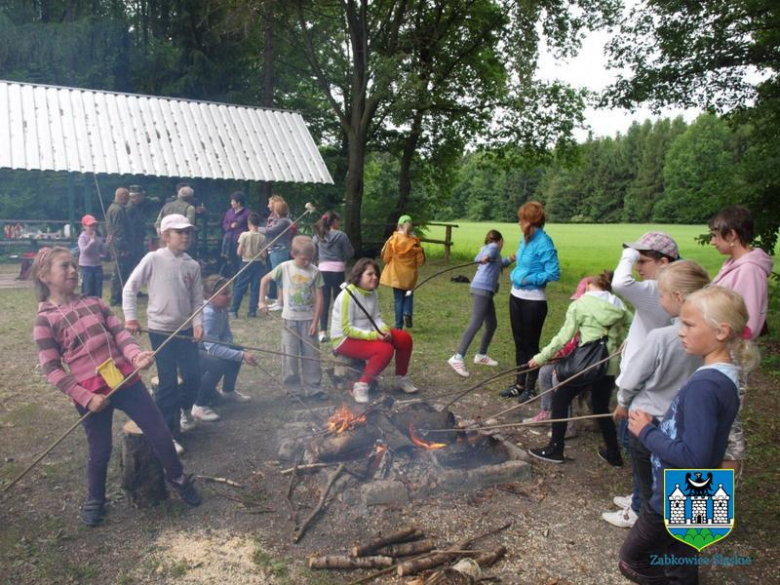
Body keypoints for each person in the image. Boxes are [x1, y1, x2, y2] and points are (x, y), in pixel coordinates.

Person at [31, 247, 201, 526]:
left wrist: (135, 356)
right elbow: (51, 369)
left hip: (126, 380)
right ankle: (95, 498)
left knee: (159, 430)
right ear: (44, 276)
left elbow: (120, 334)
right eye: (65, 266)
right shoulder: (45, 320)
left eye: (74, 265)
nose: (73, 270)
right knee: (100, 449)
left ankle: (178, 477)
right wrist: (86, 397)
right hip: (92, 395)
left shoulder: (95, 302)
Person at [618, 286, 759, 585]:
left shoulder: (704, 386)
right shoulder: (726, 376)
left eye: (689, 324)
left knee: (632, 560)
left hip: (677, 492)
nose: (680, 331)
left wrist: (646, 431)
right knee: (682, 559)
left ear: (721, 331)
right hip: (700, 489)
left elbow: (693, 458)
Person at [603, 260, 710, 529]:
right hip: (684, 427)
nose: (659, 301)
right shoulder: (711, 340)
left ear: (677, 297)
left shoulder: (663, 337)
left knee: (648, 478)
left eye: (661, 294)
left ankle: (643, 520)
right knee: (671, 482)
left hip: (646, 419)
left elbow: (631, 379)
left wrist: (623, 402)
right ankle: (681, 529)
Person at [527, 270, 632, 466]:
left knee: (560, 399)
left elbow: (563, 337)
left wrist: (541, 358)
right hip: (608, 365)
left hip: (586, 364)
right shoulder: (620, 306)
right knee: (600, 406)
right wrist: (624, 341)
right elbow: (633, 327)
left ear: (589, 288)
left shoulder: (580, 305)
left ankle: (555, 448)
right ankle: (614, 453)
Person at [611, 230, 679, 521]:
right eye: (635, 260)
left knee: (638, 445)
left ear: (664, 262)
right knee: (638, 446)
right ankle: (642, 497)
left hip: (643, 386)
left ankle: (642, 508)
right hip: (648, 382)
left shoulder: (655, 290)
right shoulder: (662, 292)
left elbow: (619, 283)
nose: (638, 266)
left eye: (643, 260)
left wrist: (627, 253)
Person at [122, 214, 203, 454]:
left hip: (185, 330)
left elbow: (197, 300)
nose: (185, 236)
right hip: (160, 330)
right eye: (180, 232)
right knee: (168, 383)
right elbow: (130, 288)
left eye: (188, 231)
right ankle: (167, 433)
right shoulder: (153, 259)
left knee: (193, 376)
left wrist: (197, 323)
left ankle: (186, 409)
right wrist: (131, 318)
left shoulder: (192, 265)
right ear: (165, 236)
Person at [331, 258, 418, 403]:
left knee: (404, 338)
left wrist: (383, 330)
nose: (375, 277)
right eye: (370, 274)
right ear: (359, 275)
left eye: (376, 274)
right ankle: (362, 385)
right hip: (344, 339)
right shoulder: (348, 295)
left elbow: (375, 317)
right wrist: (374, 336)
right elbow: (347, 329)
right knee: (385, 349)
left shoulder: (371, 293)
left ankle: (401, 378)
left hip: (367, 332)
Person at [501, 201, 560, 402]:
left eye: (522, 219)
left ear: (530, 221)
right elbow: (521, 260)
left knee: (531, 345)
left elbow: (553, 272)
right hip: (516, 296)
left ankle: (530, 388)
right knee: (519, 343)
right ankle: (519, 384)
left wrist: (528, 279)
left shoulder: (544, 242)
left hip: (533, 301)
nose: (519, 222)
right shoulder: (525, 239)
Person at [259, 235, 325, 399]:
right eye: (304, 259)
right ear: (293, 253)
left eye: (310, 259)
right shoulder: (285, 267)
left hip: (308, 319)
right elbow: (264, 280)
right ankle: (293, 390)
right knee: (290, 355)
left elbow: (320, 298)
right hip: (289, 320)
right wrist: (261, 301)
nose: (307, 262)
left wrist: (315, 322)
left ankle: (314, 388)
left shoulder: (315, 272)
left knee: (311, 355)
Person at [522, 277, 591, 430]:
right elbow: (568, 342)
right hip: (575, 360)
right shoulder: (579, 318)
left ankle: (567, 426)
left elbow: (584, 350)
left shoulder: (595, 323)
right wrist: (554, 355)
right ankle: (547, 412)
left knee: (558, 377)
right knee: (545, 371)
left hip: (589, 364)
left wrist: (558, 357)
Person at [447, 229, 514, 378]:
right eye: (502, 242)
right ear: (500, 241)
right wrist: (484, 257)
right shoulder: (493, 248)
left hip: (485, 291)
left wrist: (512, 258)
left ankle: (481, 355)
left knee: (492, 324)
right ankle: (457, 357)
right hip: (482, 289)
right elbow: (481, 256)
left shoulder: (492, 251)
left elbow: (500, 263)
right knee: (476, 323)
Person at [708, 205, 773, 339]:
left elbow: (748, 323)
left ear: (732, 235)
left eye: (715, 236)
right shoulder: (733, 264)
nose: (712, 242)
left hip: (731, 351)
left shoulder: (749, 270)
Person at [197, 275, 256, 412]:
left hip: (209, 347)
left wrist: (232, 347)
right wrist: (242, 355)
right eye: (225, 294)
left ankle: (228, 391)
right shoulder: (208, 314)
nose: (230, 296)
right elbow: (212, 348)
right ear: (211, 296)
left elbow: (226, 334)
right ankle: (200, 405)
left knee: (237, 350)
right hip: (195, 351)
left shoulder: (222, 309)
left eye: (230, 292)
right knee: (217, 363)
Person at [312, 210, 354, 342]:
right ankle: (339, 330)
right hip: (338, 271)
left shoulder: (317, 236)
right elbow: (350, 252)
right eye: (338, 220)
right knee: (339, 300)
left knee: (324, 301)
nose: (339, 223)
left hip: (322, 270)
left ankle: (323, 331)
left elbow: (313, 252)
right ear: (334, 222)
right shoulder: (341, 236)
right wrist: (343, 256)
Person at [379, 214, 426, 329]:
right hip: (410, 276)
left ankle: (398, 325)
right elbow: (420, 261)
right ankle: (407, 313)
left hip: (396, 275)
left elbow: (385, 257)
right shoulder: (415, 241)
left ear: (398, 226)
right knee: (409, 295)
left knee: (398, 300)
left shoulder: (392, 240)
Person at [260, 195, 293, 310]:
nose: (268, 205)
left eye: (270, 203)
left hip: (280, 250)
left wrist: (256, 228)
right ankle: (280, 301)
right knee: (278, 277)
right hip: (274, 250)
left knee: (280, 277)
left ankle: (283, 302)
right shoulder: (274, 219)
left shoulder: (283, 222)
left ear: (275, 207)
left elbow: (270, 231)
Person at [230, 212, 266, 318]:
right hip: (258, 264)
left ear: (248, 223)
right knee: (255, 287)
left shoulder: (244, 235)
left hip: (245, 263)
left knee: (240, 286)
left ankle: (234, 310)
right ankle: (252, 311)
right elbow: (264, 255)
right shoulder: (262, 237)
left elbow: (239, 252)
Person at [105, 187, 132, 306]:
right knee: (119, 272)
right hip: (118, 246)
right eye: (127, 196)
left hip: (116, 244)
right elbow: (119, 229)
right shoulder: (118, 210)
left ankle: (118, 297)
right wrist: (123, 248)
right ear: (122, 196)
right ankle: (115, 299)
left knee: (119, 272)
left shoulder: (114, 208)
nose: (128, 199)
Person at [77, 214, 108, 298]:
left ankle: (97, 306)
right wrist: (91, 242)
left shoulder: (98, 237)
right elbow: (84, 251)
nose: (93, 227)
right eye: (90, 225)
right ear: (84, 226)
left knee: (98, 290)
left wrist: (107, 243)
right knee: (87, 290)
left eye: (94, 225)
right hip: (86, 267)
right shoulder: (82, 237)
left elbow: (103, 252)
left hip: (97, 266)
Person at [221, 192, 251, 277]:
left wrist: (244, 233)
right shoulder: (229, 212)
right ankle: (235, 279)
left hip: (240, 242)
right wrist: (230, 226)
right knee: (232, 262)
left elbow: (251, 227)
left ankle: (241, 279)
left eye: (233, 201)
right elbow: (224, 224)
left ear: (238, 203)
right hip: (229, 242)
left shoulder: (247, 213)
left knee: (241, 262)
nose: (231, 203)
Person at [126, 185, 149, 271]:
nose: (143, 197)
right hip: (133, 240)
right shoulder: (130, 208)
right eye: (141, 195)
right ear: (137, 196)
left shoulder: (136, 207)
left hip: (137, 239)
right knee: (133, 263)